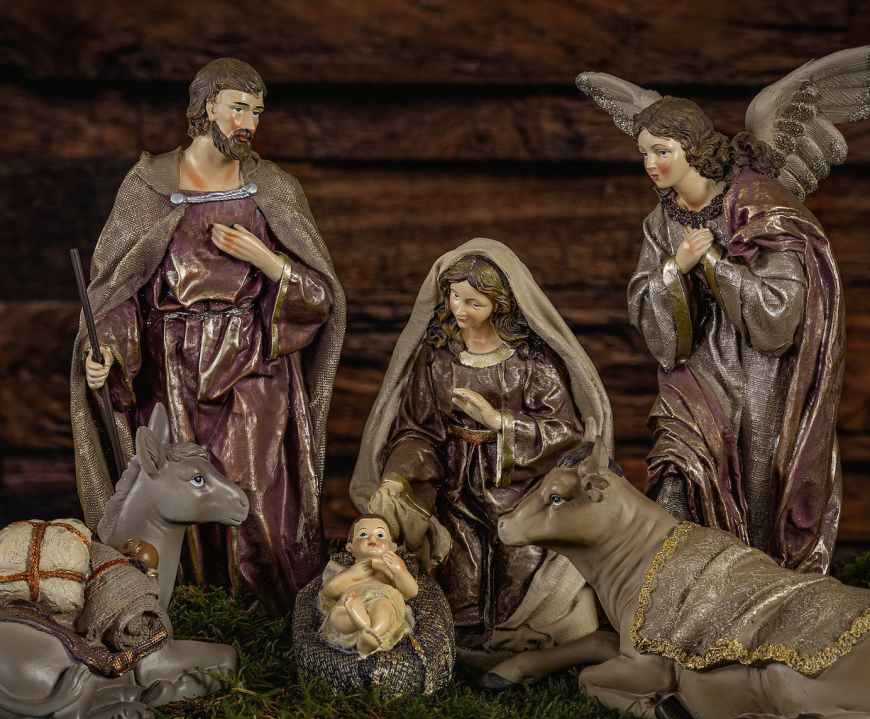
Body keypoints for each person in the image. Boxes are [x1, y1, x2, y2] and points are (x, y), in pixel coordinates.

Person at [70, 58, 345, 614]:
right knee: (177, 480)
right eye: (238, 108)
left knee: (254, 483)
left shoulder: (272, 189)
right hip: (171, 367)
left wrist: (268, 261)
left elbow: (321, 298)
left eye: (257, 112)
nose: (249, 123)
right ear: (205, 108)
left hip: (251, 363)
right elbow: (120, 292)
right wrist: (109, 353)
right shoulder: (149, 187)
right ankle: (191, 603)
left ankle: (263, 612)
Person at [351, 238, 612, 656]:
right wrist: (399, 476)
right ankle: (465, 650)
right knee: (460, 580)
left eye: (474, 302)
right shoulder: (438, 359)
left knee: (519, 574)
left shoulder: (531, 362)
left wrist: (498, 422)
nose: (460, 308)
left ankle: (523, 642)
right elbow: (419, 430)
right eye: (455, 297)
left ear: (500, 304)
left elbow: (565, 431)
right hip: (457, 489)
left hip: (521, 492)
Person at [625, 96, 844, 573]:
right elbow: (643, 300)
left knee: (752, 494)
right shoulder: (662, 220)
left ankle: (745, 589)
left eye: (661, 151)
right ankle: (671, 594)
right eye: (644, 153)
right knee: (677, 471)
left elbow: (781, 311)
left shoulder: (758, 206)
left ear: (693, 149)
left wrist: (713, 263)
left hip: (757, 377)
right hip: (693, 374)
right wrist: (675, 268)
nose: (650, 164)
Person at [319, 517, 418, 658]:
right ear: (350, 547)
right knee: (336, 616)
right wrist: (351, 575)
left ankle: (372, 631)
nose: (372, 539)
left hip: (382, 599)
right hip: (351, 603)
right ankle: (365, 628)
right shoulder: (349, 571)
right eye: (363, 534)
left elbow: (411, 591)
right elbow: (329, 591)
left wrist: (400, 570)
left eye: (380, 535)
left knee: (383, 608)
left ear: (392, 547)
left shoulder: (390, 572)